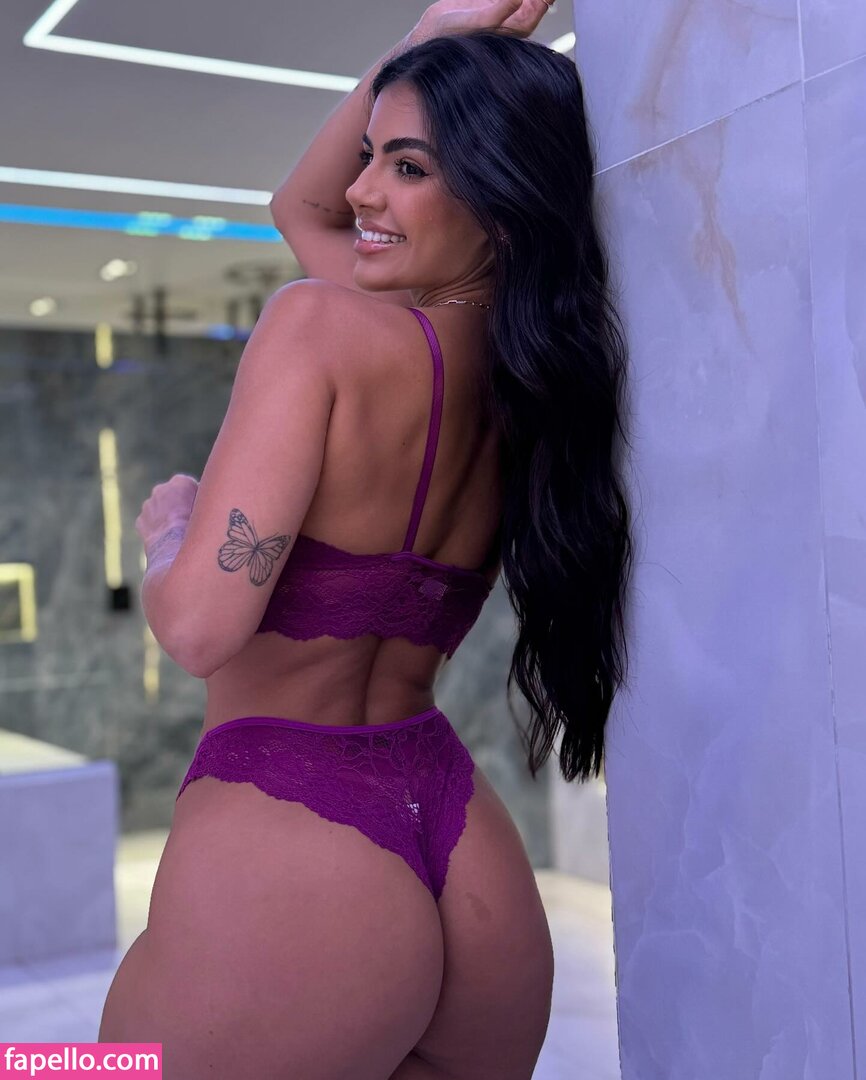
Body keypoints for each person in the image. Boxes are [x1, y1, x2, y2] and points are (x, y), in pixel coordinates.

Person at [98, 0, 634, 1076]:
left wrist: (170, 534)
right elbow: (298, 203)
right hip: (464, 850)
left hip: (293, 845)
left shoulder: (319, 325)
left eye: (407, 167)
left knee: (71, 1068)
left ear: (499, 197)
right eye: (371, 157)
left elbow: (200, 628)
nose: (357, 191)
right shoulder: (535, 380)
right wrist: (436, 34)